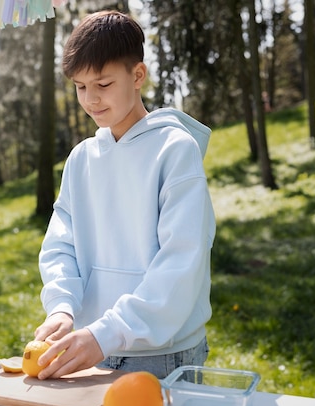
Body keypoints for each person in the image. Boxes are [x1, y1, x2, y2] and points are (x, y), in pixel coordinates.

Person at [34, 10, 216, 380]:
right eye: (81, 87)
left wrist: (105, 335)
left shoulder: (174, 149)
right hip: (89, 346)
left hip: (161, 355)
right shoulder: (82, 158)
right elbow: (60, 246)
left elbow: (182, 262)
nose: (91, 100)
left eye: (103, 84)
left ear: (137, 76)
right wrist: (61, 307)